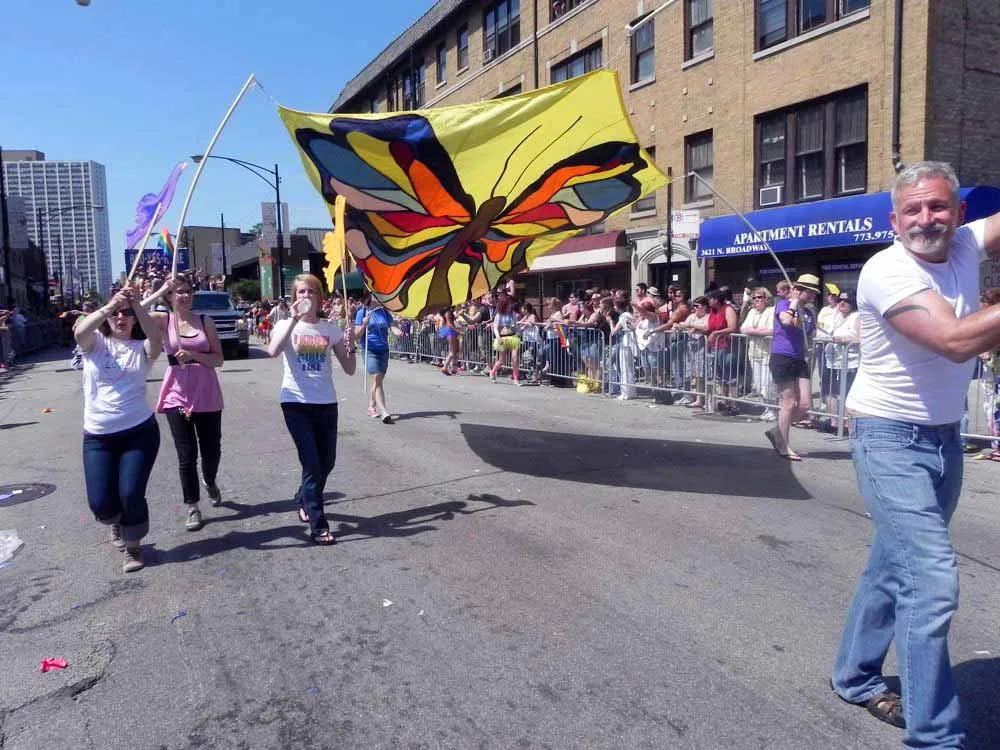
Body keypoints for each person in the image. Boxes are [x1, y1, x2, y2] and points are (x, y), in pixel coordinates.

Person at [831, 161, 1000, 748]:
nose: (926, 218)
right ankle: (936, 738)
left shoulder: (964, 244)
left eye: (938, 206)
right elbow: (954, 342)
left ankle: (854, 676)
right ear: (894, 220)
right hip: (889, 441)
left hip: (945, 438)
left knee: (891, 566)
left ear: (959, 212)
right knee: (930, 582)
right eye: (912, 210)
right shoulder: (887, 270)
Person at [75, 283, 163, 572]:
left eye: (127, 314)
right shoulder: (95, 345)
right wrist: (111, 305)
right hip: (98, 437)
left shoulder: (142, 349)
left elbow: (156, 337)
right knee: (101, 503)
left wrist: (135, 303)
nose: (121, 318)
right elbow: (80, 332)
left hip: (138, 432)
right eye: (116, 314)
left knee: (130, 492)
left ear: (134, 318)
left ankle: (133, 546)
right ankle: (115, 520)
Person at [269, 274, 357, 545]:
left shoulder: (330, 329)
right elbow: (273, 351)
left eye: (311, 291)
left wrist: (351, 346)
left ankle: (303, 497)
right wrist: (294, 319)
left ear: (319, 297)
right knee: (311, 463)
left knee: (327, 462)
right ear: (294, 297)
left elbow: (350, 369)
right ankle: (318, 525)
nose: (306, 296)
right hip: (295, 403)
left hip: (326, 402)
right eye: (301, 292)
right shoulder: (285, 325)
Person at [150, 274, 226, 532]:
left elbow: (218, 360)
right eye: (178, 292)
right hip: (178, 397)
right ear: (169, 297)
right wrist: (160, 289)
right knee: (186, 454)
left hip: (206, 394)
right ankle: (193, 506)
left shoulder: (205, 321)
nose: (183, 296)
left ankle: (210, 480)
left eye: (187, 291)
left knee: (211, 450)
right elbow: (137, 312)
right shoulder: (164, 320)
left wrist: (193, 354)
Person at [765, 273, 819, 460]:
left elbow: (810, 332)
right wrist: (794, 302)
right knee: (788, 402)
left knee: (804, 404)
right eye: (810, 291)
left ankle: (778, 431)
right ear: (798, 290)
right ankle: (784, 445)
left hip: (799, 358)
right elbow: (786, 321)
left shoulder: (809, 313)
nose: (813, 295)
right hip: (783, 356)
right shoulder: (784, 304)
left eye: (814, 292)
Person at [354, 293, 400, 422]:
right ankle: (384, 412)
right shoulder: (362, 312)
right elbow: (356, 335)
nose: (381, 298)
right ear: (370, 297)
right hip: (369, 350)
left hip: (383, 350)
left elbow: (393, 326)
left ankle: (371, 406)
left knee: (378, 381)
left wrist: (399, 332)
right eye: (377, 295)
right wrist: (364, 325)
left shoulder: (384, 312)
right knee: (377, 378)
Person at [819, 291, 860, 431]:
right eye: (840, 300)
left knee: (848, 393)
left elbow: (861, 338)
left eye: (846, 301)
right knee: (830, 391)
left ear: (852, 303)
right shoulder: (835, 315)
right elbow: (824, 330)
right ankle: (834, 423)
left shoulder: (857, 317)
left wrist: (844, 340)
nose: (842, 303)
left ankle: (849, 424)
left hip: (849, 362)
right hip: (831, 360)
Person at [740, 287, 777, 421]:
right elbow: (743, 328)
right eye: (754, 298)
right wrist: (759, 331)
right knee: (759, 383)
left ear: (766, 298)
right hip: (754, 352)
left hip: (768, 351)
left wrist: (753, 331)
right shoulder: (752, 312)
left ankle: (773, 409)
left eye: (759, 297)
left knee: (768, 383)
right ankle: (766, 408)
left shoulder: (772, 311)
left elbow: (772, 330)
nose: (756, 300)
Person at [488, 293, 522, 385]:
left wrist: (518, 333)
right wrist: (498, 337)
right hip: (502, 338)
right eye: (508, 304)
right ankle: (493, 371)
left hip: (513, 336)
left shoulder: (513, 314)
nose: (510, 306)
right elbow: (495, 327)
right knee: (502, 360)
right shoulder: (499, 315)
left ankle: (516, 379)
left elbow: (516, 326)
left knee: (515, 359)